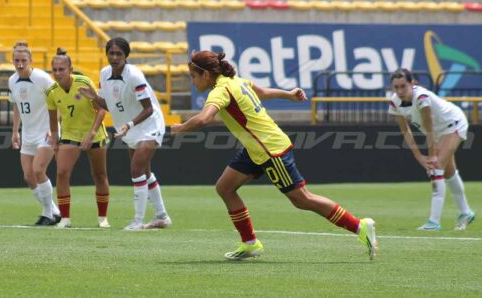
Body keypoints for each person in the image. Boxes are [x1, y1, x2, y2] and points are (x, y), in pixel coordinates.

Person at [171, 50, 377, 260]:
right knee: (225, 188)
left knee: (302, 199)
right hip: (256, 149)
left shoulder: (220, 91)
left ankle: (359, 226)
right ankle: (250, 243)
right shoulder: (236, 81)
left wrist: (179, 128)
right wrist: (288, 94)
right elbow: (261, 92)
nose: (193, 81)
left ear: (206, 75)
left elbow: (204, 119)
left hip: (270, 150)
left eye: (193, 76)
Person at [77, 37, 171, 231]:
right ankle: (162, 215)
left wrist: (129, 124)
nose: (114, 57)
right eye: (111, 53)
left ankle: (137, 220)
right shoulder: (104, 74)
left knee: (136, 169)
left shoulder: (134, 76)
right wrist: (94, 97)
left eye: (119, 53)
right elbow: (107, 105)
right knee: (144, 172)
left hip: (149, 125)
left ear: (126, 55)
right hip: (129, 127)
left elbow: (148, 109)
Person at [389, 68, 475, 231]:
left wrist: (432, 156)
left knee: (435, 169)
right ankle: (466, 212)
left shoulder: (422, 97)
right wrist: (419, 157)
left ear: (412, 83)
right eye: (396, 87)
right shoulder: (394, 102)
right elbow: (405, 131)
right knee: (448, 173)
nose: (400, 91)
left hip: (454, 123)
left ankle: (434, 222)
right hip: (439, 131)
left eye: (403, 86)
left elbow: (429, 128)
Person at [45, 48, 111, 229]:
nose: (58, 73)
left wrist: (91, 134)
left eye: (61, 69)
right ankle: (65, 219)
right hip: (70, 135)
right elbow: (52, 120)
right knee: (61, 173)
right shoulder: (51, 91)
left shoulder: (83, 83)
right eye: (55, 69)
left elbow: (101, 109)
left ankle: (102, 218)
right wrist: (55, 140)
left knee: (99, 175)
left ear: (70, 69)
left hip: (94, 133)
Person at [8, 40, 61, 225]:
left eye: (23, 60)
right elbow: (16, 106)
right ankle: (55, 211)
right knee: (28, 177)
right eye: (16, 60)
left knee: (39, 171)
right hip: (28, 133)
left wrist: (53, 127)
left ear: (31, 60)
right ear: (12, 60)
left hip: (47, 132)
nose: (20, 64)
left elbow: (59, 101)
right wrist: (15, 131)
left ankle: (48, 214)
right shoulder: (12, 80)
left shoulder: (42, 78)